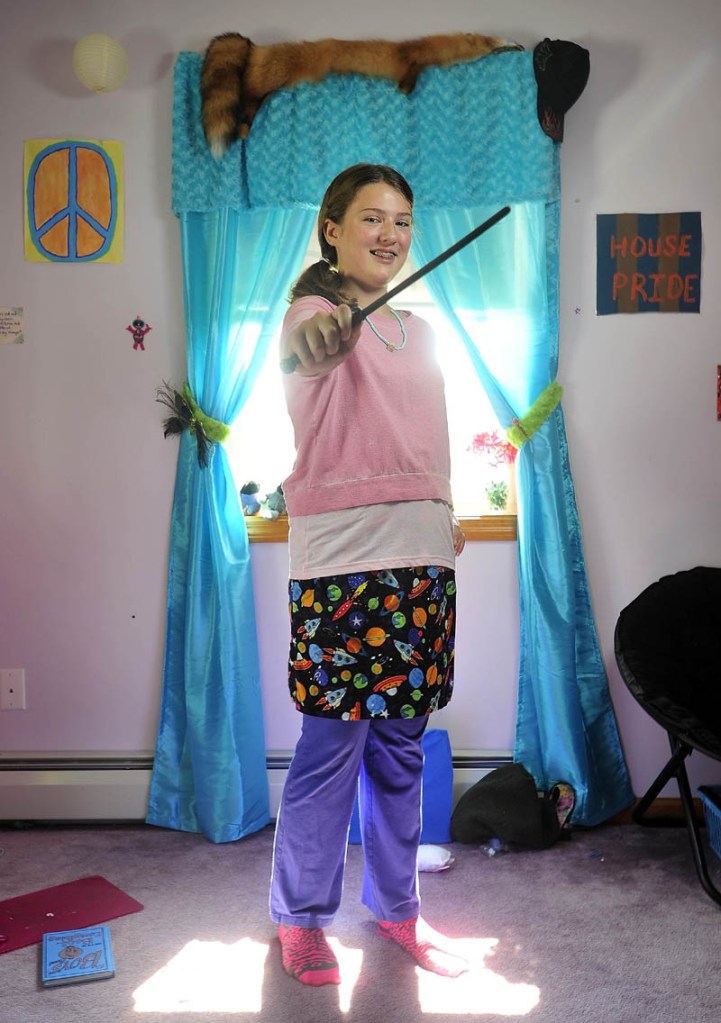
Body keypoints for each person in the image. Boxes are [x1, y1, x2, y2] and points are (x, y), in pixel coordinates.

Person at [270, 163, 467, 987]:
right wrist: (328, 332)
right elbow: (309, 351)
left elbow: (433, 435)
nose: (388, 234)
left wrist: (447, 511)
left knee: (401, 751)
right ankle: (302, 919)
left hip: (420, 555)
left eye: (401, 221)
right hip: (341, 564)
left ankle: (397, 906)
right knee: (329, 752)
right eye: (370, 219)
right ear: (331, 229)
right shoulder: (311, 315)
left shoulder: (418, 331)